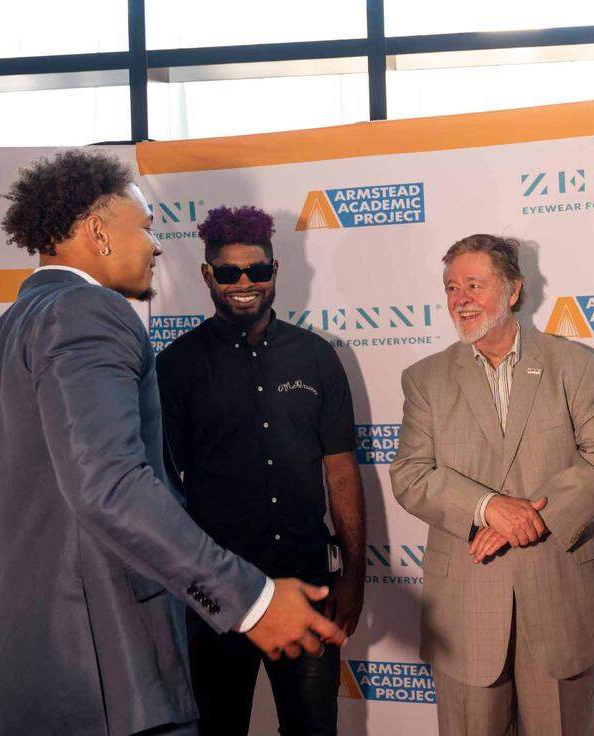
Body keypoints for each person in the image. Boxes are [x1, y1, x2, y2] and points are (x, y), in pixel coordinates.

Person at [0, 151, 345, 736]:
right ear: (98, 232)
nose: (155, 245)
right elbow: (111, 485)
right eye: (145, 227)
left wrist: (35, 610)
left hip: (14, 672)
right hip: (109, 680)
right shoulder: (90, 313)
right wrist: (251, 601)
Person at [390, 234, 594, 736]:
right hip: (466, 611)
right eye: (452, 287)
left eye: (475, 284)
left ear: (514, 290)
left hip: (559, 603)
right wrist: (489, 508)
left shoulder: (575, 366)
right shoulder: (424, 379)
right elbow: (410, 474)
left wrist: (532, 517)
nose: (461, 299)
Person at [157, 205, 365, 736]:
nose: (244, 283)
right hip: (217, 593)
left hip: (308, 582)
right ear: (208, 276)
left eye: (258, 270)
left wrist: (356, 576)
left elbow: (341, 472)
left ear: (276, 272)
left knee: (313, 727)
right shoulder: (175, 366)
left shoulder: (317, 357)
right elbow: (163, 487)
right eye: (229, 272)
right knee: (217, 727)